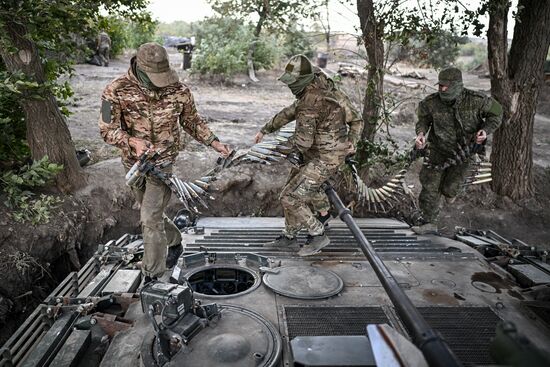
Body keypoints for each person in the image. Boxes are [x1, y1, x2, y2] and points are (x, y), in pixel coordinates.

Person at [99, 42, 231, 283]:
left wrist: (214, 143)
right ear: (140, 68)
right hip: (133, 164)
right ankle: (175, 241)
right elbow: (107, 130)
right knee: (151, 213)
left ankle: (152, 276)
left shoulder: (179, 90)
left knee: (149, 217)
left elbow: (192, 122)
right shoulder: (115, 90)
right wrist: (132, 142)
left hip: (163, 164)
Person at [255, 55, 362, 256]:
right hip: (316, 155)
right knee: (289, 191)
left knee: (290, 197)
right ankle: (289, 236)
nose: (290, 87)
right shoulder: (326, 91)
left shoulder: (310, 103)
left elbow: (303, 141)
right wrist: (266, 129)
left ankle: (317, 233)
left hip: (325, 158)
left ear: (302, 81)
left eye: (293, 82)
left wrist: (276, 148)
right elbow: (289, 112)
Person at [412, 67, 502, 234]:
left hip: (464, 153)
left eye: (445, 86)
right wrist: (421, 134)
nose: (441, 89)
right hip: (437, 151)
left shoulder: (477, 100)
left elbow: (497, 113)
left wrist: (485, 130)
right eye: (440, 85)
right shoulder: (430, 102)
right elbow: (423, 121)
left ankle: (450, 192)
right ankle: (429, 223)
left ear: (456, 85)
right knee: (430, 187)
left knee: (450, 189)